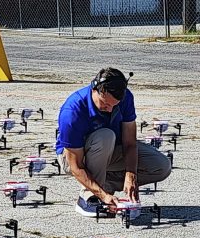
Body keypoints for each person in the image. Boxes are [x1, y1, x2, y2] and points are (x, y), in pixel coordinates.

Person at [56, 67, 172, 217]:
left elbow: (130, 143)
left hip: (109, 152)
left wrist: (131, 175)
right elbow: (76, 166)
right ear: (96, 89)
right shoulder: (72, 111)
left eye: (115, 105)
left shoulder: (125, 98)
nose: (110, 110)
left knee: (161, 166)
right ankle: (89, 198)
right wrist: (102, 196)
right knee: (106, 136)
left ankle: (103, 186)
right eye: (105, 104)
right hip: (74, 158)